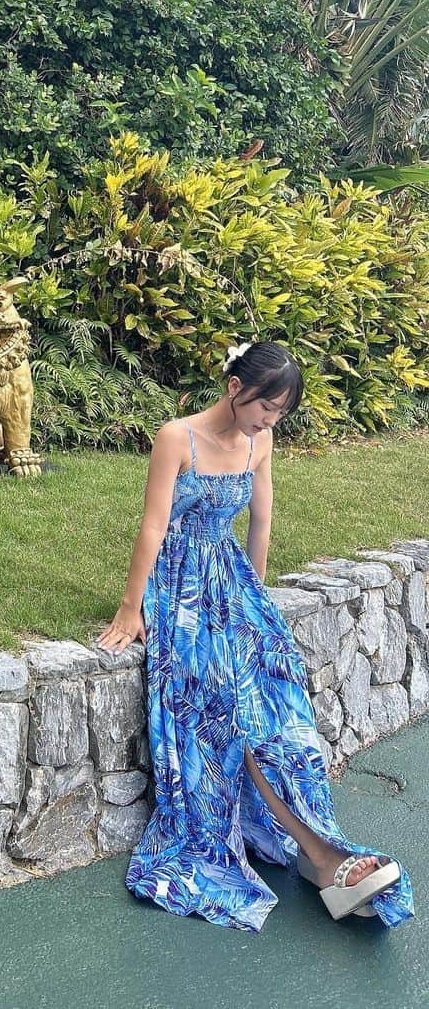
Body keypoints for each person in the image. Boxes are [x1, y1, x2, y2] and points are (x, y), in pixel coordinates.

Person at [96, 340, 414, 930]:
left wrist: (255, 604)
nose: (270, 421)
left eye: (280, 413)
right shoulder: (177, 437)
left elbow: (261, 520)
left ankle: (321, 844)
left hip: (229, 579)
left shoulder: (259, 442)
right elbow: (152, 528)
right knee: (224, 703)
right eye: (267, 407)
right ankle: (324, 861)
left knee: (279, 689)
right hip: (177, 582)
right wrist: (130, 607)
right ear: (236, 387)